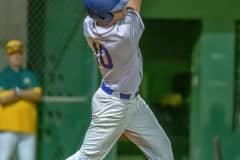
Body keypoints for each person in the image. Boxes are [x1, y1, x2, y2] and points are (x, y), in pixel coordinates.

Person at [66, 0, 174, 159]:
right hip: (113, 106)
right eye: (117, 9)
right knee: (87, 157)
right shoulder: (124, 34)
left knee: (162, 150)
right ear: (105, 17)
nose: (122, 7)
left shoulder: (89, 24)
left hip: (132, 102)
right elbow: (134, 3)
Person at [0, 40, 42, 160]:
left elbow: (37, 95)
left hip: (28, 127)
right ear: (9, 56)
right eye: (13, 54)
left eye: (19, 53)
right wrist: (26, 93)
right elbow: (2, 98)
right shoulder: (3, 75)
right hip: (8, 127)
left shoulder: (29, 75)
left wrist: (17, 92)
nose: (16, 56)